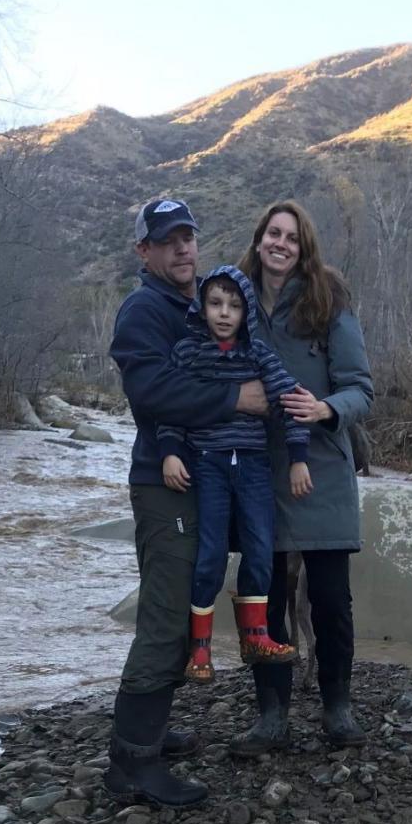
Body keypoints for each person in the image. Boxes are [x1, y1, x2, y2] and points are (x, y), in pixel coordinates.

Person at [107, 197, 269, 808]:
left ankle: (152, 725)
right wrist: (235, 401)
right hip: (162, 480)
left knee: (190, 598)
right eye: (168, 240)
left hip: (207, 478)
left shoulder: (202, 301)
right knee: (169, 613)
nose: (182, 249)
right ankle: (132, 765)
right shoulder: (143, 310)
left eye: (189, 237)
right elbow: (153, 392)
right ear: (144, 251)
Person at [230, 200, 374, 753]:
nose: (281, 244)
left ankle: (338, 708)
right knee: (262, 600)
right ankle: (271, 715)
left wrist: (324, 408)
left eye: (292, 237)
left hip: (323, 469)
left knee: (331, 599)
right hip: (257, 471)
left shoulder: (328, 299)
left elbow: (361, 387)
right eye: (273, 233)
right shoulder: (234, 296)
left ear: (303, 246)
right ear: (260, 238)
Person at [156, 264, 311, 682]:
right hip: (207, 463)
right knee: (209, 554)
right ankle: (200, 649)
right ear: (203, 307)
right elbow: (171, 406)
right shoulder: (187, 352)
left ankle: (255, 635)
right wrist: (170, 452)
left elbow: (290, 399)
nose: (224, 313)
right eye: (215, 303)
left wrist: (298, 455)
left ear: (246, 313)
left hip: (255, 466)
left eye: (234, 306)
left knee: (260, 549)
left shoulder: (258, 354)